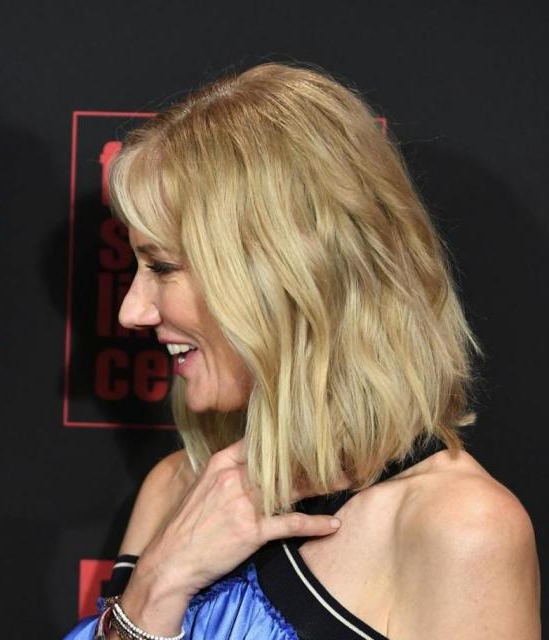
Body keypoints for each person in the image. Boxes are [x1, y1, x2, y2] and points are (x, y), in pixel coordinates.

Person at [66, 63, 540, 639]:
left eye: (163, 266)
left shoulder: (459, 530)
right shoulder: (178, 487)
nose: (132, 310)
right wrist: (159, 582)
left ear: (288, 274)